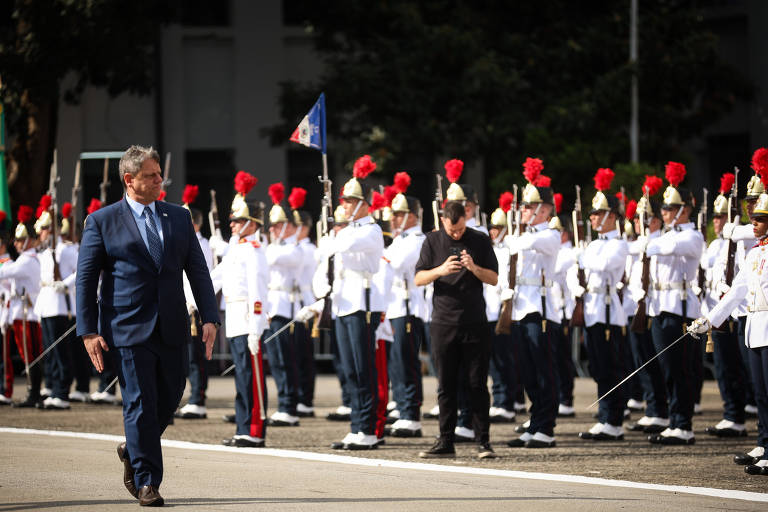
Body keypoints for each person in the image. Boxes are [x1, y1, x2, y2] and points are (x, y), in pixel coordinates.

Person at [76, 145, 219, 507]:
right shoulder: (102, 221)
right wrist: (88, 330)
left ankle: (133, 447)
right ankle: (147, 481)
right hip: (126, 328)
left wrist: (210, 317)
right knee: (139, 403)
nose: (160, 181)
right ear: (130, 180)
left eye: (159, 174)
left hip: (171, 325)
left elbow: (197, 270)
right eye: (152, 176)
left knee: (171, 394)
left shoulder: (178, 217)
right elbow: (86, 278)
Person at [689, 189, 768, 476]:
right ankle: (764, 444)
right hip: (756, 329)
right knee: (760, 393)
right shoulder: (755, 253)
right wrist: (708, 321)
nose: (755, 223)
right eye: (755, 218)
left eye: (761, 218)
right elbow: (735, 294)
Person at [415, 200, 498, 459]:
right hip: (443, 322)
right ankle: (445, 440)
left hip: (474, 321)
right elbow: (418, 278)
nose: (456, 235)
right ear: (443, 221)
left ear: (465, 219)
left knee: (477, 383)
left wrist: (473, 268)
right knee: (446, 385)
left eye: (460, 230)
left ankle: (483, 441)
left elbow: (494, 278)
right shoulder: (432, 241)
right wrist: (440, 270)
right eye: (452, 231)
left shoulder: (480, 239)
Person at [636, 161, 704, 446]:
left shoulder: (692, 235)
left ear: (683, 210)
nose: (662, 213)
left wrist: (647, 241)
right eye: (662, 209)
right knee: (667, 368)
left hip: (681, 308)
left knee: (680, 369)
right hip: (660, 306)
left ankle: (683, 424)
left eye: (667, 209)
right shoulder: (664, 234)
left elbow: (664, 248)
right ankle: (674, 420)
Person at [503, 162, 560, 450]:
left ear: (545, 209)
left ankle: (546, 427)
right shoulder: (522, 235)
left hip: (541, 310)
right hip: (520, 308)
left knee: (543, 370)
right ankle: (535, 423)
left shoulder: (549, 234)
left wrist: (516, 235)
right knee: (527, 371)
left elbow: (527, 244)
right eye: (523, 206)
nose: (523, 210)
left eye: (529, 206)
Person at [210, 171, 270, 447]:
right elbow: (215, 279)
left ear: (251, 223)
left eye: (238, 221)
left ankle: (255, 430)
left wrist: (256, 328)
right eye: (232, 221)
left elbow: (258, 291)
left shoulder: (255, 250)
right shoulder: (236, 249)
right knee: (242, 377)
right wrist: (190, 297)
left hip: (248, 320)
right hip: (233, 319)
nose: (232, 225)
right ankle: (243, 426)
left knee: (251, 377)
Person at [574, 169, 629, 442]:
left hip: (609, 310)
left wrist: (583, 257)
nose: (592, 217)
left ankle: (614, 420)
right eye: (592, 213)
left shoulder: (619, 244)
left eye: (597, 213)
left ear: (611, 216)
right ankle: (605, 416)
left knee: (612, 367)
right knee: (597, 366)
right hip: (594, 308)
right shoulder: (594, 245)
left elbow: (605, 265)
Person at [700, 173, 750, 438]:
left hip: (737, 312)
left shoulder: (742, 237)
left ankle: (739, 413)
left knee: (741, 367)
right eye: (715, 217)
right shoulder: (717, 245)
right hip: (718, 311)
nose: (717, 221)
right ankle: (732, 414)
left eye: (721, 216)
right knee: (723, 366)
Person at [383, 177, 427, 437]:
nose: (395, 219)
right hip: (395, 307)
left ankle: (411, 414)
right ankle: (401, 407)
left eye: (400, 214)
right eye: (394, 214)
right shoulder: (401, 238)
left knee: (406, 362)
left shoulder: (416, 240)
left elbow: (394, 264)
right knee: (395, 363)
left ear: (412, 216)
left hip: (409, 307)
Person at [264, 182, 304, 427]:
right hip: (274, 305)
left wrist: (270, 244)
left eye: (279, 225)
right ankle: (284, 404)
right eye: (273, 226)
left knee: (286, 360)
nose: (275, 229)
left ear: (289, 226)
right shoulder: (275, 247)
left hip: (287, 307)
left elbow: (271, 257)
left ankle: (289, 405)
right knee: (276, 360)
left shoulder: (294, 248)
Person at [33, 196, 78, 410]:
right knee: (50, 350)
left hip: (60, 304)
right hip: (47, 303)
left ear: (51, 229)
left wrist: (65, 284)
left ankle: (62, 391)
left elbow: (81, 272)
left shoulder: (67, 250)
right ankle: (53, 387)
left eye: (43, 228)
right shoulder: (44, 251)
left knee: (60, 351)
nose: (39, 232)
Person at [0, 206, 43, 408]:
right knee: (28, 354)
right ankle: (32, 391)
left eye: (19, 240)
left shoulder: (27, 260)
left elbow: (5, 273)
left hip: (27, 313)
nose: (16, 243)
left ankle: (33, 392)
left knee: (30, 355)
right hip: (21, 312)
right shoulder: (24, 260)